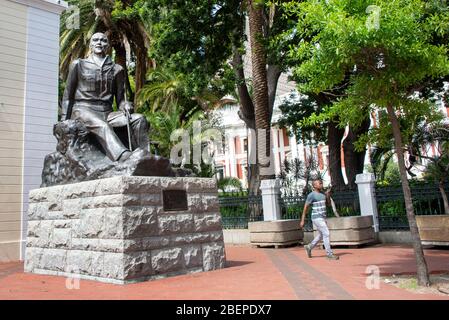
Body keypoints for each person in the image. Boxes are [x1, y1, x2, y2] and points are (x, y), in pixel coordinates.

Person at [61, 32, 149, 162]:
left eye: (103, 40)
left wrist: (125, 105)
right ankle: (123, 157)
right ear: (90, 45)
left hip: (107, 113)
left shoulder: (116, 69)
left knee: (139, 119)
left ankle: (144, 157)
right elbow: (68, 96)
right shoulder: (78, 64)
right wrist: (64, 120)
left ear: (108, 45)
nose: (99, 43)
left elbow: (120, 100)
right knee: (102, 126)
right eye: (95, 40)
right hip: (83, 110)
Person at [299, 179, 339, 260]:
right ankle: (329, 254)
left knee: (321, 235)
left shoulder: (323, 194)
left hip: (323, 217)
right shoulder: (311, 195)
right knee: (326, 233)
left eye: (321, 183)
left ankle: (309, 247)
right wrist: (302, 220)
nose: (321, 184)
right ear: (314, 185)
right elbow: (305, 207)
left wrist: (327, 195)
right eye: (319, 183)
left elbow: (328, 204)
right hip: (316, 217)